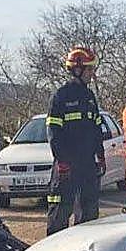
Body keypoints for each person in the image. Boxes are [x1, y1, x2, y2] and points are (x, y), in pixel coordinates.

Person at [45, 46, 105, 235]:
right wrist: (62, 161)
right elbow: (53, 132)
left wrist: (100, 155)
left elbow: (96, 128)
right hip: (67, 166)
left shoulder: (89, 96)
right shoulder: (61, 96)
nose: (92, 74)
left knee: (89, 213)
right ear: (77, 70)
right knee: (60, 213)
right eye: (89, 70)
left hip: (87, 164)